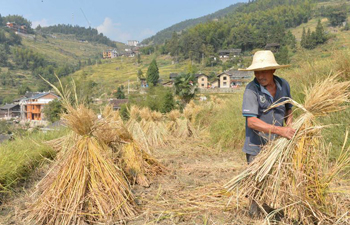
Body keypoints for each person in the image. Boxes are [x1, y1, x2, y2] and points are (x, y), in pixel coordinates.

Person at [239, 50, 296, 217]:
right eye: (257, 71)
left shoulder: (283, 85)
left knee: (276, 179)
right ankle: (255, 215)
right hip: (257, 145)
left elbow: (288, 108)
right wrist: (281, 130)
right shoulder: (251, 90)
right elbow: (252, 121)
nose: (259, 75)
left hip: (277, 144)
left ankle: (271, 211)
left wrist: (290, 127)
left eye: (264, 71)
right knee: (257, 181)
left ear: (273, 70)